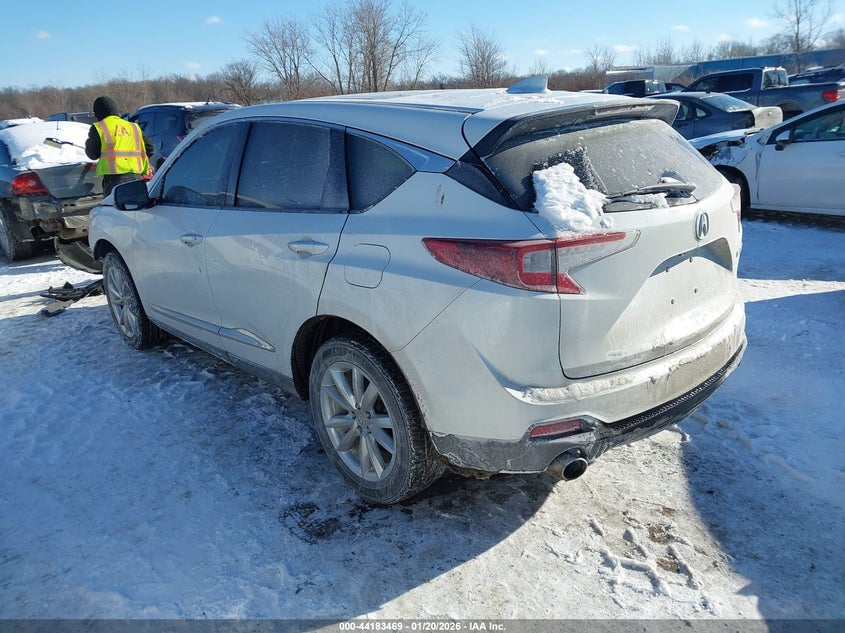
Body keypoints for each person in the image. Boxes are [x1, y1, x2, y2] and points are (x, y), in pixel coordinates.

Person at [85, 96, 154, 196]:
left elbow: (92, 154)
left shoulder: (99, 127)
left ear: (98, 113)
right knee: (135, 209)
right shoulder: (133, 127)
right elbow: (150, 149)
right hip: (137, 178)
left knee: (114, 210)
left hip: (114, 181)